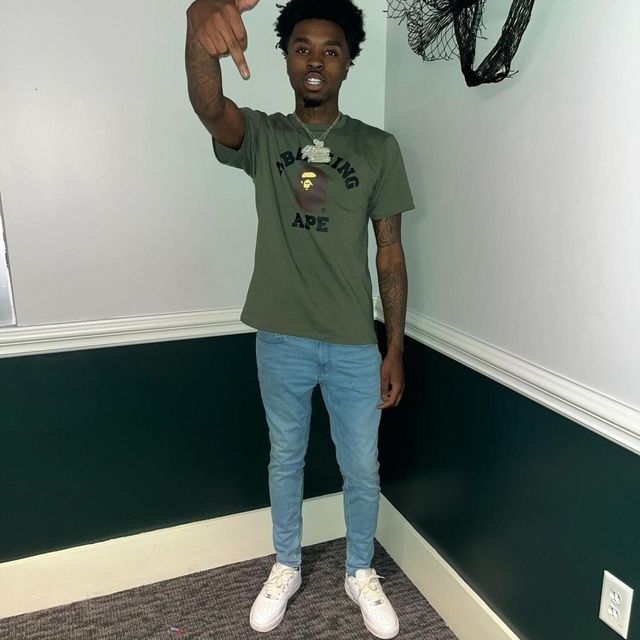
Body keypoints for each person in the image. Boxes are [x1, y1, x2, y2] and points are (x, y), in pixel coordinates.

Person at [185, 0, 414, 637]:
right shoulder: (264, 136)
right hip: (280, 334)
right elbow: (210, 107)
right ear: (287, 58)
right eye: (303, 48)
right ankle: (286, 563)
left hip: (353, 342)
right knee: (285, 457)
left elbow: (390, 252)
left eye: (330, 50)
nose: (316, 60)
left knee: (362, 466)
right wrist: (197, 29)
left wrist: (394, 347)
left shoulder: (378, 147)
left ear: (348, 63)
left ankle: (359, 569)